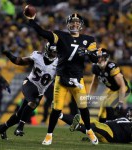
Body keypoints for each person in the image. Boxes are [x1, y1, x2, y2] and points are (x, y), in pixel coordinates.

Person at [24, 12, 99, 145]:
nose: (74, 24)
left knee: (83, 108)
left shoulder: (89, 39)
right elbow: (42, 33)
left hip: (77, 79)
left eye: (77, 21)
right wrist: (31, 21)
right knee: (56, 109)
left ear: (81, 24)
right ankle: (49, 135)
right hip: (62, 78)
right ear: (68, 24)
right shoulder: (61, 35)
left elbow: (95, 59)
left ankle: (89, 131)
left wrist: (87, 52)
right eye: (72, 21)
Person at [0, 42, 58, 139]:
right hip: (29, 84)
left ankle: (2, 127)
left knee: (20, 115)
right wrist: (8, 54)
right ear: (47, 50)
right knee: (33, 103)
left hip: (40, 91)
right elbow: (19, 61)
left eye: (55, 52)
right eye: (52, 52)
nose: (53, 54)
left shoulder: (58, 63)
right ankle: (20, 127)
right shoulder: (37, 56)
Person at [89, 48, 131, 122]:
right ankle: (102, 128)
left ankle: (113, 124)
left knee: (109, 104)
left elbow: (122, 85)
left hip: (122, 89)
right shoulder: (96, 67)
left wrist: (121, 101)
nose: (98, 59)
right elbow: (94, 83)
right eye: (97, 57)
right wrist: (90, 96)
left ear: (105, 58)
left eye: (100, 57)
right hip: (112, 89)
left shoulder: (111, 67)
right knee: (102, 110)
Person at [63, 110, 132, 143]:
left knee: (96, 125)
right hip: (106, 129)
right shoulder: (123, 118)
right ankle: (61, 115)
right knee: (88, 120)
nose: (130, 114)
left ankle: (80, 127)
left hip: (111, 135)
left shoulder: (129, 124)